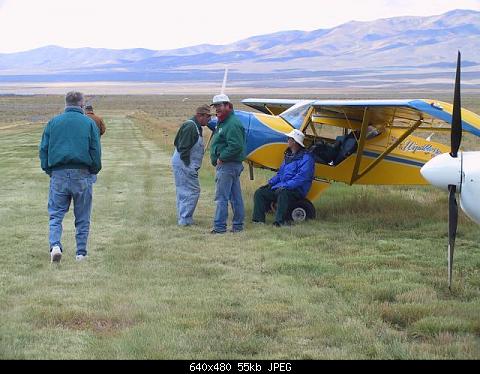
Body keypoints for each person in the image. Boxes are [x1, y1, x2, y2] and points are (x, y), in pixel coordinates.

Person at [39, 91, 102, 263]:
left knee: (56, 214)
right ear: (82, 104)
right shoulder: (89, 123)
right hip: (82, 174)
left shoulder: (53, 122)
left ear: (65, 104)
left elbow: (43, 149)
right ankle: (81, 253)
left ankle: (55, 246)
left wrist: (48, 170)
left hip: (58, 174)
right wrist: (94, 170)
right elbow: (95, 150)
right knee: (82, 216)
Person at [252, 129, 315, 226]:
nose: (287, 140)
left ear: (294, 141)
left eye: (289, 138)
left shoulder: (307, 158)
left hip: (296, 190)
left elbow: (301, 178)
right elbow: (280, 174)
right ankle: (258, 221)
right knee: (260, 193)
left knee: (283, 193)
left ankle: (280, 222)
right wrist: (270, 183)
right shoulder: (288, 156)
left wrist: (284, 186)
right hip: (283, 187)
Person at [209, 94, 246, 234]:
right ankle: (237, 226)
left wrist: (221, 158)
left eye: (219, 105)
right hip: (231, 165)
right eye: (215, 106)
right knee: (235, 197)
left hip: (228, 165)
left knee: (221, 198)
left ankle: (219, 227)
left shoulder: (232, 123)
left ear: (228, 105)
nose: (217, 109)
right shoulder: (224, 122)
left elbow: (236, 145)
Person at [171, 104, 213, 226]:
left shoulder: (195, 126)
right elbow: (182, 148)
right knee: (192, 190)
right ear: (200, 116)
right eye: (207, 116)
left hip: (183, 162)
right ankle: (185, 220)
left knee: (183, 190)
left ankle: (183, 218)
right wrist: (189, 167)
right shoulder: (191, 126)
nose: (209, 119)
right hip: (184, 163)